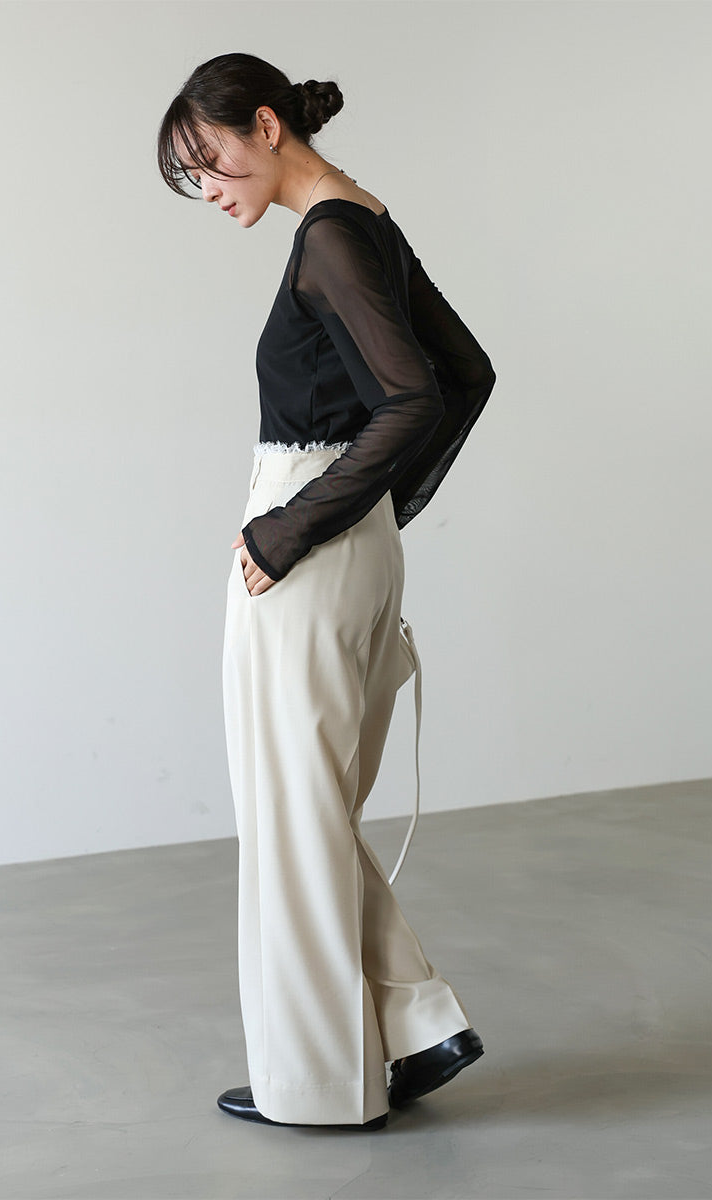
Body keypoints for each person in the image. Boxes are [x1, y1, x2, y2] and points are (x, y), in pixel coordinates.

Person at [157, 52, 496, 1131]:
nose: (207, 186)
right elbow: (466, 375)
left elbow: (415, 398)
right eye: (189, 175)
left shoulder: (332, 237)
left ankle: (320, 1086)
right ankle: (411, 1028)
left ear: (266, 126)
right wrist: (375, 515)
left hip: (308, 544)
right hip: (349, 538)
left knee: (290, 812)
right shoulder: (365, 222)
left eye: (209, 158)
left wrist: (292, 525)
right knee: (308, 810)